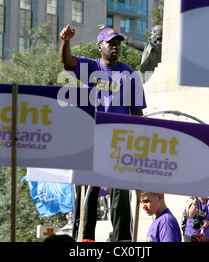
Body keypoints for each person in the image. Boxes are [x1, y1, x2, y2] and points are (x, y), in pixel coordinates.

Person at [59, 25, 147, 242]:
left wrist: (140, 143)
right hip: (91, 141)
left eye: (118, 43)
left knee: (121, 197)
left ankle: (122, 241)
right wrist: (65, 40)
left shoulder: (131, 75)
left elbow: (137, 113)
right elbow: (67, 60)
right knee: (86, 196)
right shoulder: (90, 67)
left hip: (119, 144)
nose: (116, 46)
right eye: (111, 43)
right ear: (100, 47)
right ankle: (85, 239)